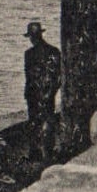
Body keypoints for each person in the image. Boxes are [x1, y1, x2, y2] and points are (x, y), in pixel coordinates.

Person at [23, 19, 61, 164]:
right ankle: (48, 151)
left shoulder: (29, 54)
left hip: (33, 94)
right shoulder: (54, 52)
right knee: (48, 121)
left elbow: (29, 77)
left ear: (32, 37)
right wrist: (51, 92)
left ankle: (35, 152)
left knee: (34, 123)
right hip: (48, 93)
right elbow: (58, 77)